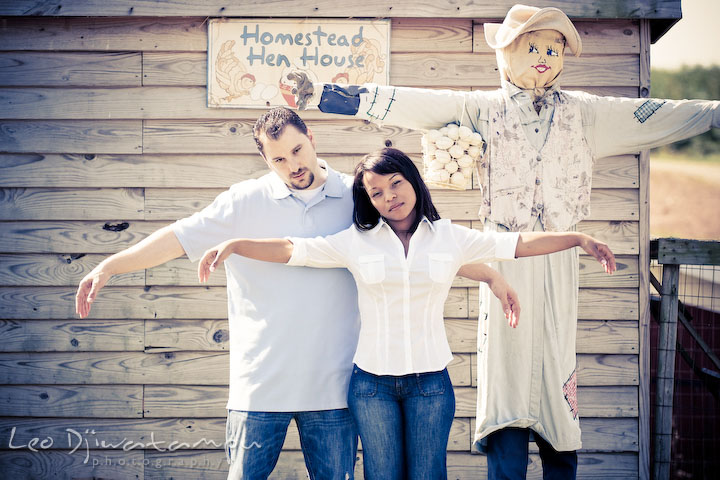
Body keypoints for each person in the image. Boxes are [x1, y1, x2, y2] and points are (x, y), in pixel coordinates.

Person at [287, 4, 720, 478]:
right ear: (506, 55)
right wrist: (332, 96)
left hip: (557, 259)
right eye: (532, 47)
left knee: (556, 369)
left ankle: (559, 459)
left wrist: (713, 115)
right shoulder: (482, 110)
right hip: (503, 254)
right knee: (506, 375)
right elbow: (414, 103)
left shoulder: (586, 114)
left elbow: (651, 116)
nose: (543, 57)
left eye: (553, 49)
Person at [75, 107, 520, 480]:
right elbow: (177, 237)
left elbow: (416, 250)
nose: (293, 166)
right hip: (259, 388)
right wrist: (110, 265)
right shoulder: (242, 201)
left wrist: (491, 277)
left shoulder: (357, 195)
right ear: (265, 160)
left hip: (334, 389)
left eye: (297, 150)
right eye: (278, 159)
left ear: (310, 137)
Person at [196, 147, 616, 480]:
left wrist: (579, 239)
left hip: (431, 386)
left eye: (395, 184)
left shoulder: (450, 237)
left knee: (428, 475)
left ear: (413, 181)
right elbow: (291, 249)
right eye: (376, 193)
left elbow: (519, 244)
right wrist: (234, 244)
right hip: (371, 388)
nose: (389, 197)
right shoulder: (355, 242)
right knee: (382, 476)